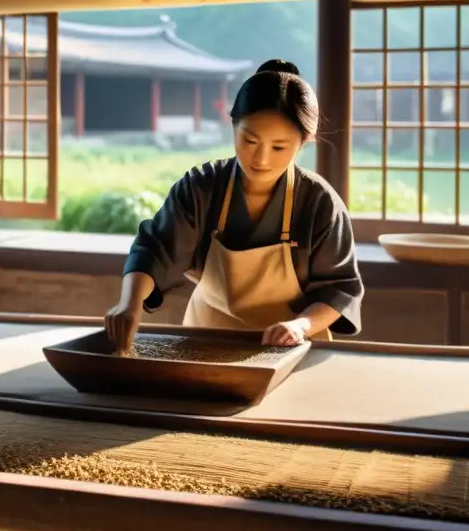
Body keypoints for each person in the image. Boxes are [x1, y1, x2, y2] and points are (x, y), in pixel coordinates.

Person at [104, 59, 363, 355]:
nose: (261, 159)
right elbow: (155, 251)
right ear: (233, 125)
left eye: (279, 147)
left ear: (303, 141)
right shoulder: (202, 187)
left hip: (291, 346)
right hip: (208, 338)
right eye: (249, 140)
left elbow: (339, 289)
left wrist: (301, 326)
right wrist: (129, 304)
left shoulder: (320, 203)